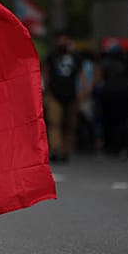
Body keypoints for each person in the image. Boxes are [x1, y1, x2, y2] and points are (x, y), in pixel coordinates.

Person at [44, 32, 81, 163]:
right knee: (55, 122)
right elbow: (47, 73)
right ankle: (56, 149)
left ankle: (66, 150)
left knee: (70, 124)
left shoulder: (76, 56)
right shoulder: (52, 56)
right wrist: (46, 91)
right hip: (55, 94)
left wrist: (83, 91)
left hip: (72, 94)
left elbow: (81, 75)